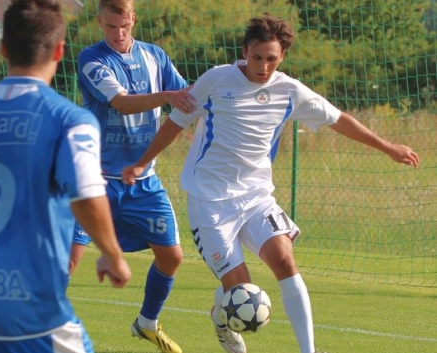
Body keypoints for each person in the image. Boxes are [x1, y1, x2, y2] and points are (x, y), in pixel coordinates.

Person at [122, 13, 419, 353]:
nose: (263, 66)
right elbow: (175, 123)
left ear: (282, 58)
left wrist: (387, 146)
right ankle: (221, 320)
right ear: (245, 51)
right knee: (240, 292)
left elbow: (339, 120)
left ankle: (309, 350)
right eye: (257, 57)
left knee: (284, 260)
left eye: (271, 59)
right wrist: (142, 162)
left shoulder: (290, 91)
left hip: (256, 197)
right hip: (210, 202)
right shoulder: (216, 80)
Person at [0, 0, 132, 352]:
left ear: (3, 49)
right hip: (29, 307)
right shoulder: (69, 119)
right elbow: (87, 194)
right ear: (60, 50)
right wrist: (112, 253)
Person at [71, 0, 196, 352]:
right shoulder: (91, 59)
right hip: (94, 181)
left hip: (142, 182)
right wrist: (170, 96)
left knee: (172, 257)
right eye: (111, 27)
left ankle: (146, 323)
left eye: (124, 26)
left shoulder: (155, 55)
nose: (119, 33)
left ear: (133, 20)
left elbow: (188, 97)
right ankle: (31, 329)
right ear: (99, 22)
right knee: (69, 259)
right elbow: (122, 102)